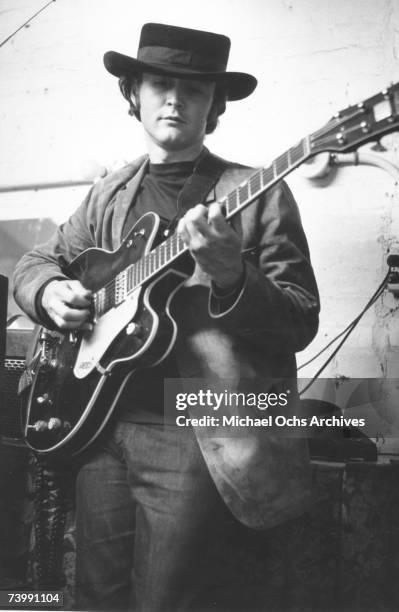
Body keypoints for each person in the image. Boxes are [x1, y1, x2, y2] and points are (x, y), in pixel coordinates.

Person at [13, 22, 320, 612]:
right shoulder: (108, 193)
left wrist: (234, 275)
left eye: (195, 89)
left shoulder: (257, 194)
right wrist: (49, 290)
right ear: (134, 94)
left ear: (214, 107)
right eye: (159, 83)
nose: (175, 99)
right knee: (95, 596)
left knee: (167, 601)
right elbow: (36, 260)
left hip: (194, 434)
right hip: (100, 428)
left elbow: (300, 318)